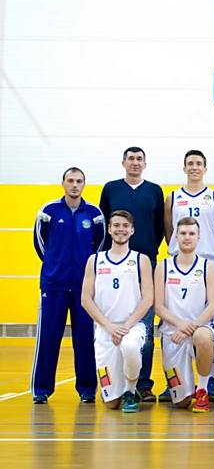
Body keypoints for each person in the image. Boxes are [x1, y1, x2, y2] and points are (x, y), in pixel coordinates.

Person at [31, 167, 105, 404]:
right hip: (53, 286)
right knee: (48, 336)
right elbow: (40, 244)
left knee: (85, 338)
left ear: (85, 184)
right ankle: (41, 389)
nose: (75, 185)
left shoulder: (94, 214)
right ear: (62, 183)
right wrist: (55, 265)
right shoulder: (48, 212)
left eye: (79, 181)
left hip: (84, 288)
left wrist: (87, 275)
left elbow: (100, 247)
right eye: (70, 181)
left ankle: (86, 389)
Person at [99, 147, 165, 402]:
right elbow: (105, 223)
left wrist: (147, 250)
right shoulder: (110, 188)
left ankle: (143, 384)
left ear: (145, 164)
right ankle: (115, 382)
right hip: (115, 264)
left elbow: (160, 226)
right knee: (114, 326)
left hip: (144, 263)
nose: (135, 163)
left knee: (145, 329)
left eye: (139, 159)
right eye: (131, 159)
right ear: (123, 162)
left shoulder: (154, 191)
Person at [165, 149, 214, 400]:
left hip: (207, 260)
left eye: (199, 163)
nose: (194, 167)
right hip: (180, 260)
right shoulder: (173, 197)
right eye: (190, 163)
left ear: (205, 168)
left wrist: (213, 251)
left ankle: (208, 381)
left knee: (210, 326)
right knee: (174, 319)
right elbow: (169, 229)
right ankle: (176, 382)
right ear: (184, 167)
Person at [80, 210, 154, 413]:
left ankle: (131, 391)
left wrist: (125, 327)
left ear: (132, 230)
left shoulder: (142, 260)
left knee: (130, 346)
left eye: (125, 226)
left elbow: (148, 299)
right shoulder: (94, 260)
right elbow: (86, 299)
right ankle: (119, 391)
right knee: (111, 404)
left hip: (132, 326)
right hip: (105, 328)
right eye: (116, 225)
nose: (121, 229)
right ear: (110, 230)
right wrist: (110, 327)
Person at [155, 217, 214, 413]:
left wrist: (191, 326)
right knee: (181, 403)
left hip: (201, 327)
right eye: (183, 233)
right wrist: (180, 325)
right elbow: (158, 306)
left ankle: (202, 389)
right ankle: (186, 387)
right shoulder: (163, 267)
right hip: (172, 332)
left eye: (192, 233)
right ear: (176, 236)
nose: (187, 237)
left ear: (199, 237)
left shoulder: (208, 266)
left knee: (202, 337)